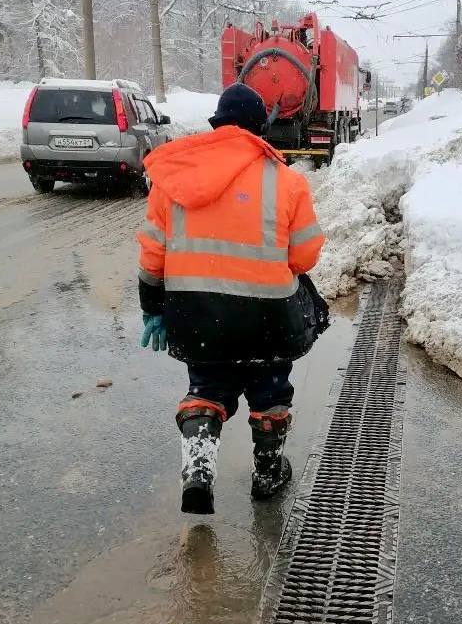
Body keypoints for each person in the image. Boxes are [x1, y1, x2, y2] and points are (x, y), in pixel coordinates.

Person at [136, 83, 325, 515]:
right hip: (268, 319)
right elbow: (304, 257)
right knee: (270, 388)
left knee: (207, 388)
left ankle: (199, 470)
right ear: (260, 130)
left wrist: (152, 308)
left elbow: (151, 256)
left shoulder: (175, 179)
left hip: (198, 316)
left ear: (217, 125)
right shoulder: (287, 181)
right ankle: (268, 473)